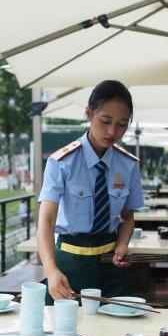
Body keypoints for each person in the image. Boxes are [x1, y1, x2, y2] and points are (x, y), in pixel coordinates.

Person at [36, 80, 144, 305]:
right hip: (69, 263)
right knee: (64, 332)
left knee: (117, 330)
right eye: (105, 121)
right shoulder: (62, 162)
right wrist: (51, 270)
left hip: (110, 264)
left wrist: (123, 245)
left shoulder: (129, 165)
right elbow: (45, 222)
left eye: (122, 124)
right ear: (88, 113)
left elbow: (127, 218)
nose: (112, 131)